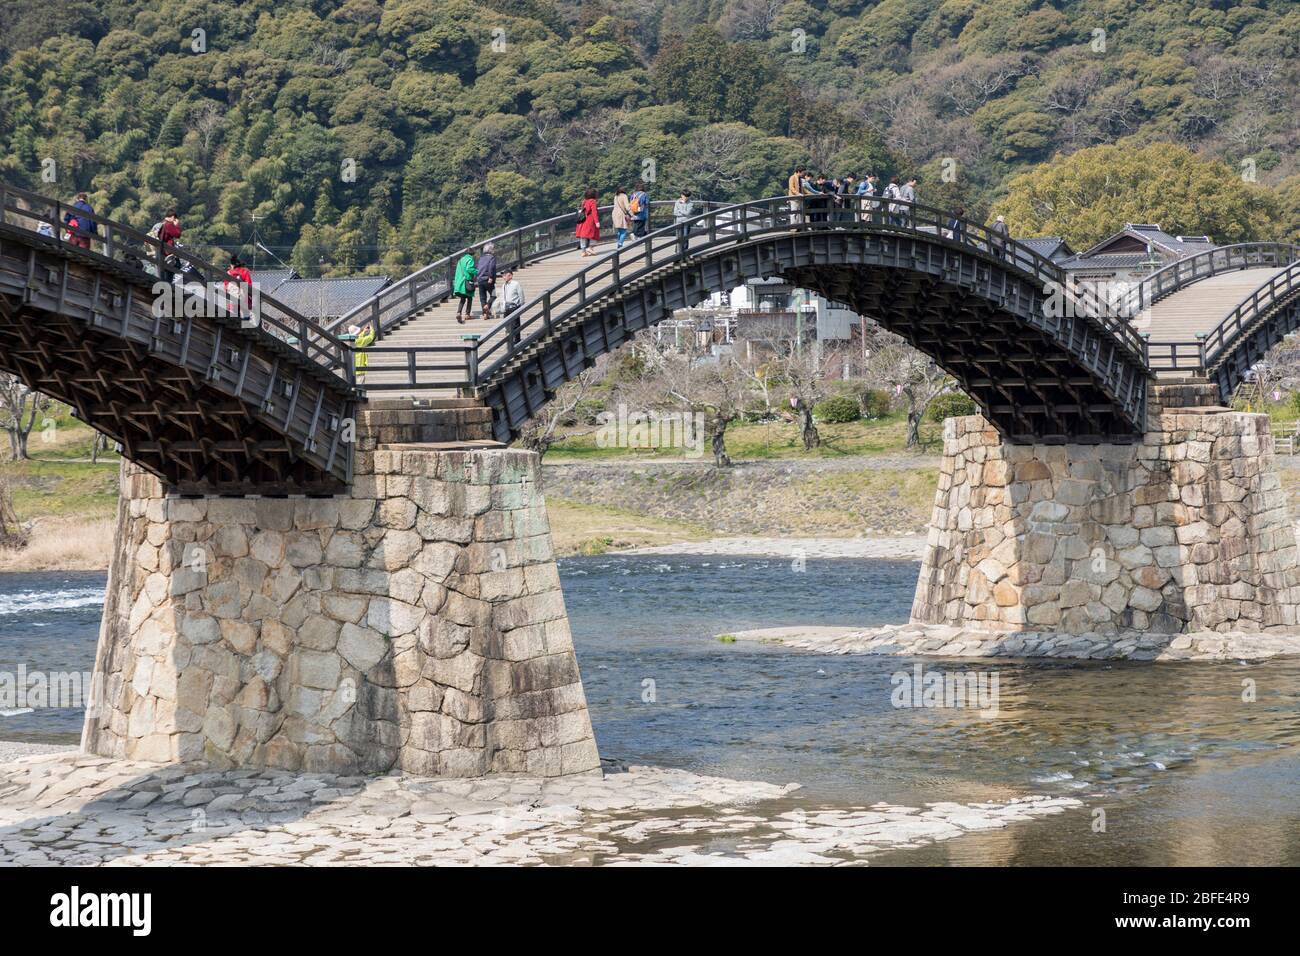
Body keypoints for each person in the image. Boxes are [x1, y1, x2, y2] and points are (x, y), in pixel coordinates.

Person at [475, 242, 498, 321]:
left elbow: (477, 268)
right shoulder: (491, 258)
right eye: (493, 248)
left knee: (482, 297)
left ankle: (485, 313)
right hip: (488, 279)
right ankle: (487, 306)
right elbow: (491, 267)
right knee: (494, 295)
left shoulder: (481, 258)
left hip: (480, 279)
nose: (494, 250)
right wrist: (491, 277)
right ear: (491, 250)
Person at [453, 250, 477, 324]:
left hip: (460, 282)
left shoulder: (460, 260)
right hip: (466, 282)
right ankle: (467, 314)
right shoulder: (470, 259)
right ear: (472, 254)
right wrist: (477, 272)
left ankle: (458, 313)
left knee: (463, 299)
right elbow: (469, 269)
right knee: (469, 298)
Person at [575, 188, 600, 255]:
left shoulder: (584, 201)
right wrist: (597, 222)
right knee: (593, 234)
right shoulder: (593, 201)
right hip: (590, 221)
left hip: (583, 221)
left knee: (583, 236)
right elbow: (594, 212)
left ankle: (583, 252)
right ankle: (590, 247)